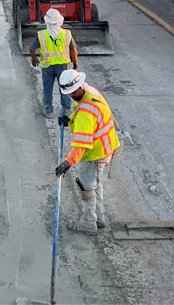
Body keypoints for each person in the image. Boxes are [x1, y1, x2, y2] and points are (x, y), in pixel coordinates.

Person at [54, 70, 121, 234]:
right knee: (96, 184)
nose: (70, 95)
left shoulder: (85, 112)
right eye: (68, 93)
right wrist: (70, 120)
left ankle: (88, 224)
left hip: (94, 154)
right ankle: (99, 218)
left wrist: (67, 162)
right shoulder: (90, 91)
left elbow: (81, 146)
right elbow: (90, 120)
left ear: (78, 86)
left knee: (87, 188)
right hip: (105, 148)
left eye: (72, 92)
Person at [29, 8, 78, 118]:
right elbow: (73, 50)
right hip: (63, 66)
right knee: (65, 88)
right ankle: (66, 108)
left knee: (47, 88)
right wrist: (75, 62)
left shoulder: (41, 35)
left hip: (47, 66)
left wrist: (34, 58)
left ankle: (49, 110)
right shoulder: (67, 34)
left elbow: (32, 48)